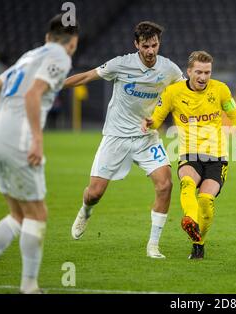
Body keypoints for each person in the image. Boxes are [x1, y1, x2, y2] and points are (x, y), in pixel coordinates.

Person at [64, 21, 184, 259]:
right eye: (146, 46)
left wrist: (226, 106)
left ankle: (153, 245)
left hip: (147, 137)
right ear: (136, 44)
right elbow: (87, 76)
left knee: (165, 185)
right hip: (116, 137)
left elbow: (188, 92)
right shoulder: (120, 64)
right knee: (94, 193)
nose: (151, 51)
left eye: (155, 45)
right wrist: (53, 86)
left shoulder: (169, 69)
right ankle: (85, 211)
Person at [0, 14, 78, 293]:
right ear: (73, 42)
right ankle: (29, 286)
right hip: (19, 139)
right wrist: (37, 140)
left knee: (18, 215)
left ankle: (29, 286)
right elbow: (33, 95)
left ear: (48, 37)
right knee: (37, 214)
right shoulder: (60, 56)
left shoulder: (29, 55)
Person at [142, 51, 236, 259]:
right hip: (189, 153)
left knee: (206, 202)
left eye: (207, 72)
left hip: (217, 157)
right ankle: (189, 220)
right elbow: (157, 118)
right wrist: (150, 124)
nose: (203, 77)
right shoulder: (173, 92)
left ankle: (198, 242)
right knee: (187, 183)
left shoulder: (220, 89)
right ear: (189, 71)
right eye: (199, 72)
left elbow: (233, 114)